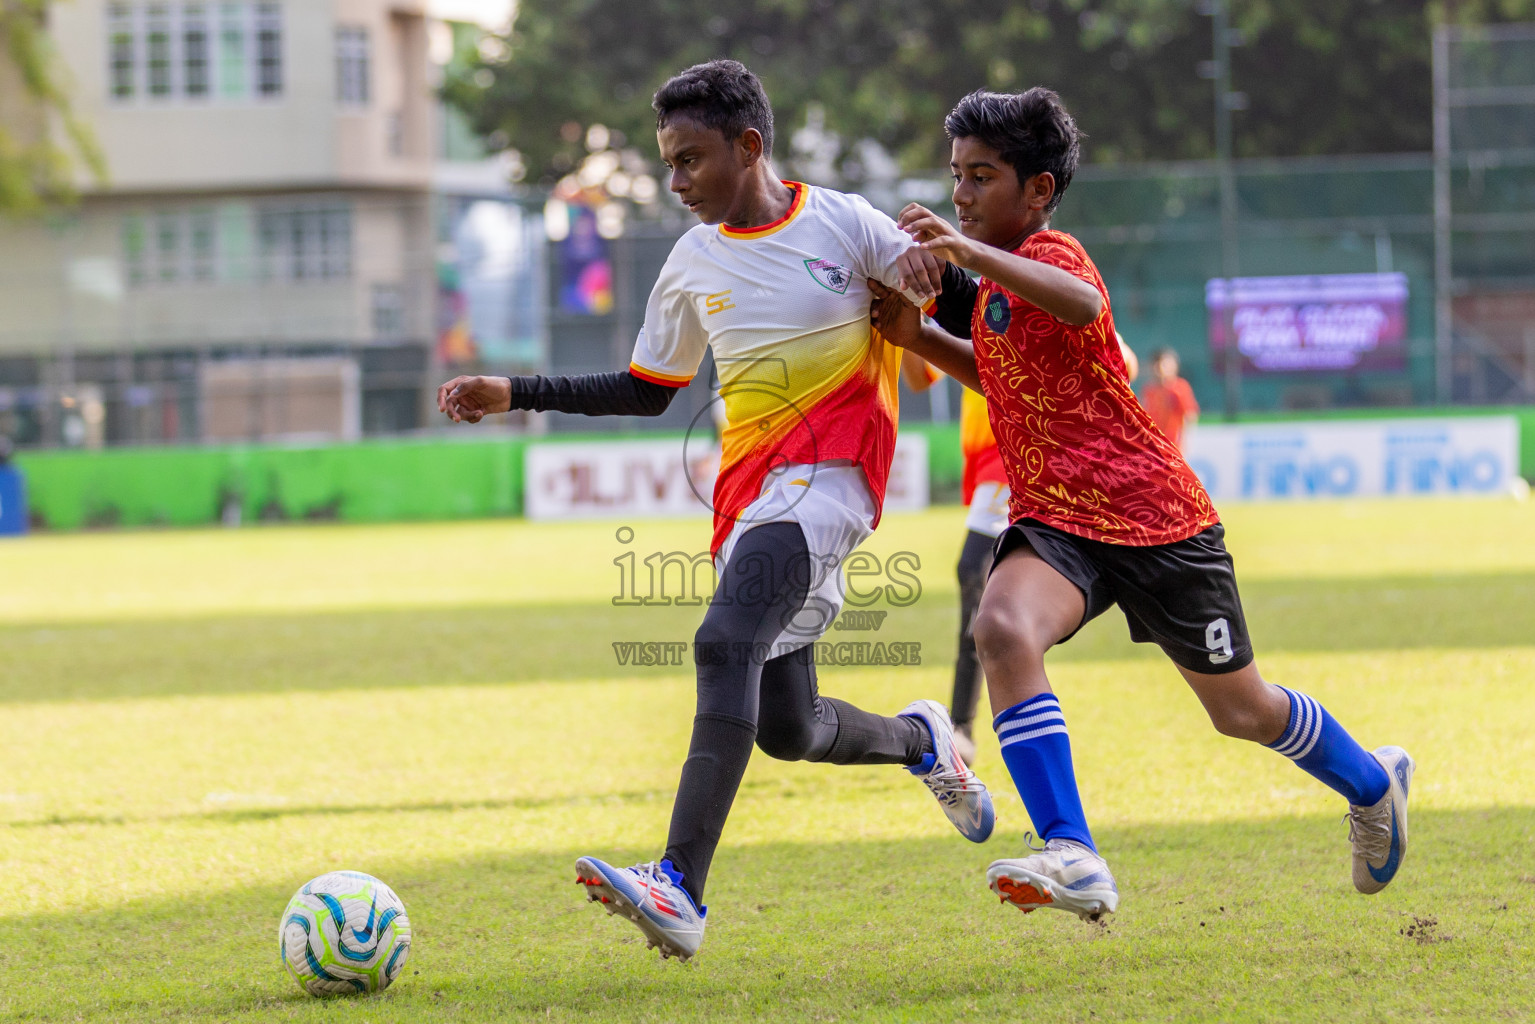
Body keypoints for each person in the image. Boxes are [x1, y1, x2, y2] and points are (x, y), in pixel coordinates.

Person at [437, 60, 994, 961]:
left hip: (834, 480)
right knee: (787, 727)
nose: (676, 181)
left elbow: (968, 308)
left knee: (720, 643)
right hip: (749, 499)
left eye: (690, 159)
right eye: (667, 163)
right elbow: (646, 387)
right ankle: (922, 742)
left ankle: (680, 887)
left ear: (749, 146)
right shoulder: (691, 260)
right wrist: (516, 391)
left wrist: (961, 266)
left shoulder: (845, 223)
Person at [868, 87, 1413, 922]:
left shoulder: (1057, 255)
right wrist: (918, 338)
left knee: (1241, 711)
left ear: (1038, 190)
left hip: (1160, 520)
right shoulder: (987, 288)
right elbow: (1005, 381)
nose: (961, 196)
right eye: (955, 177)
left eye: (981, 177)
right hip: (1057, 519)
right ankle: (1072, 852)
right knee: (1000, 628)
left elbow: (1081, 306)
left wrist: (963, 262)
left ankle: (1373, 785)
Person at [908, 337, 1136, 767]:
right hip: (992, 459)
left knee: (976, 572)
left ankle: (963, 725)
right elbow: (920, 379)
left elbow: (1125, 360)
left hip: (1021, 451)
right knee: (985, 583)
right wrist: (909, 325)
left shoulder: (1026, 286)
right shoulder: (959, 297)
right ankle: (975, 717)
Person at [1140, 347, 1198, 451]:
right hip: (1153, 444)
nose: (1160, 368)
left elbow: (1190, 415)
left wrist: (1183, 439)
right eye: (1156, 364)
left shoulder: (1179, 388)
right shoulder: (1148, 390)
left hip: (1173, 445)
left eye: (1164, 363)